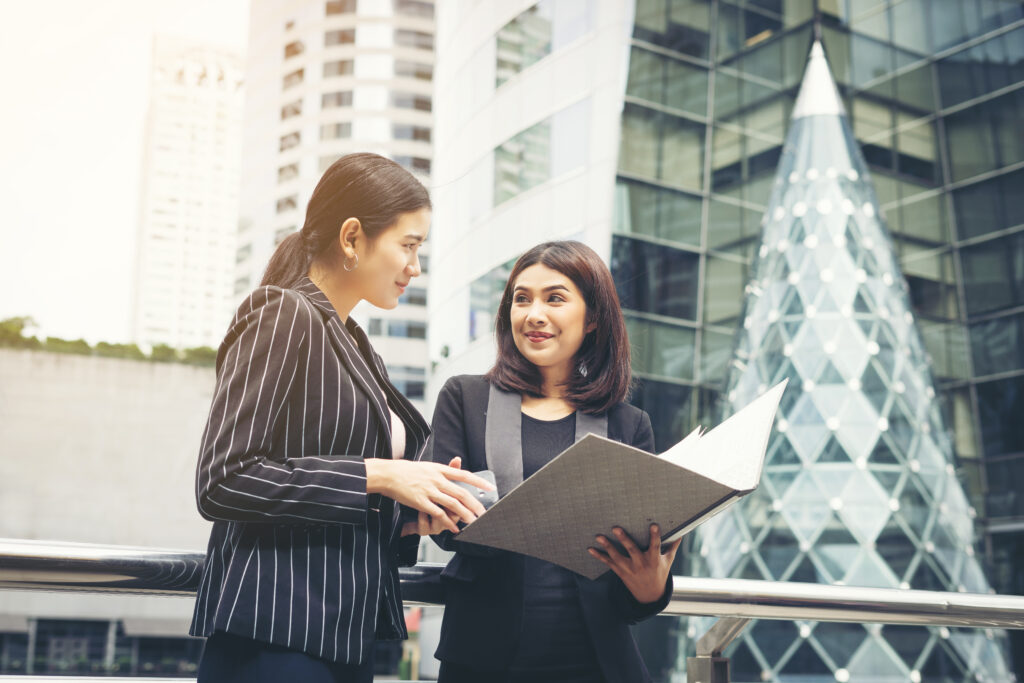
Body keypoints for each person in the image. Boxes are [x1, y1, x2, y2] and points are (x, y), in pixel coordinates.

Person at [189, 152, 494, 683]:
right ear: (352, 238)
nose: (415, 268)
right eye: (408, 245)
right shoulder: (283, 312)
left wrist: (408, 513)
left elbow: (339, 495)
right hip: (277, 635)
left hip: (343, 639)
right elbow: (224, 481)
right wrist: (381, 475)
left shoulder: (357, 346)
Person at [429, 241, 681, 683]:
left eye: (555, 298)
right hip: (483, 659)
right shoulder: (465, 399)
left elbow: (633, 573)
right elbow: (444, 529)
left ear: (594, 318)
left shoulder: (629, 424)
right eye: (521, 299)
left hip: (596, 664)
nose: (534, 313)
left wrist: (651, 590)